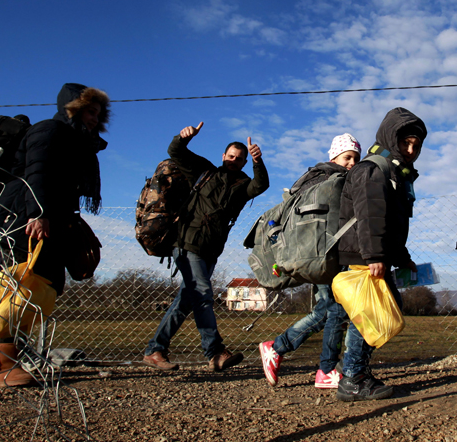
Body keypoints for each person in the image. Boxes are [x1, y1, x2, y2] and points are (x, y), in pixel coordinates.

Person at [0, 83, 110, 387]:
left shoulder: (77, 142)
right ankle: (2, 366)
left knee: (39, 289)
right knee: (14, 286)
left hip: (52, 222)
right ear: (72, 107)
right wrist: (38, 212)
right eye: (90, 110)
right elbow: (36, 171)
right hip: (21, 218)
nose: (94, 118)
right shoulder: (49, 130)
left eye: (98, 113)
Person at [143, 121, 268, 372]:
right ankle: (215, 351)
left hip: (211, 250)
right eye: (231, 156)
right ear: (223, 156)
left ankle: (155, 349)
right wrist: (183, 137)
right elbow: (175, 152)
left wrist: (258, 161)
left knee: (186, 300)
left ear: (244, 162)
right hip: (187, 243)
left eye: (240, 158)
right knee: (202, 293)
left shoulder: (242, 185)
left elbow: (261, 184)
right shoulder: (205, 171)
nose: (234, 160)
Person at [334, 108, 425, 401]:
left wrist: (402, 256)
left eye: (416, 145)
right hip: (363, 257)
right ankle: (352, 377)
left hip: (372, 256)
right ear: (391, 138)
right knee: (373, 317)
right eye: (405, 143)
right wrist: (374, 255)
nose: (411, 150)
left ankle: (350, 368)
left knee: (379, 315)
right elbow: (369, 216)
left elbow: (392, 224)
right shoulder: (373, 169)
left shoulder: (394, 172)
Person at [259, 133, 360, 389]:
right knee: (335, 309)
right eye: (347, 157)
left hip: (319, 253)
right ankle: (321, 369)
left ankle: (279, 349)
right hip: (327, 254)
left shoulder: (312, 177)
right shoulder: (333, 178)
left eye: (355, 158)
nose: (351, 162)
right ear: (334, 156)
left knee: (326, 310)